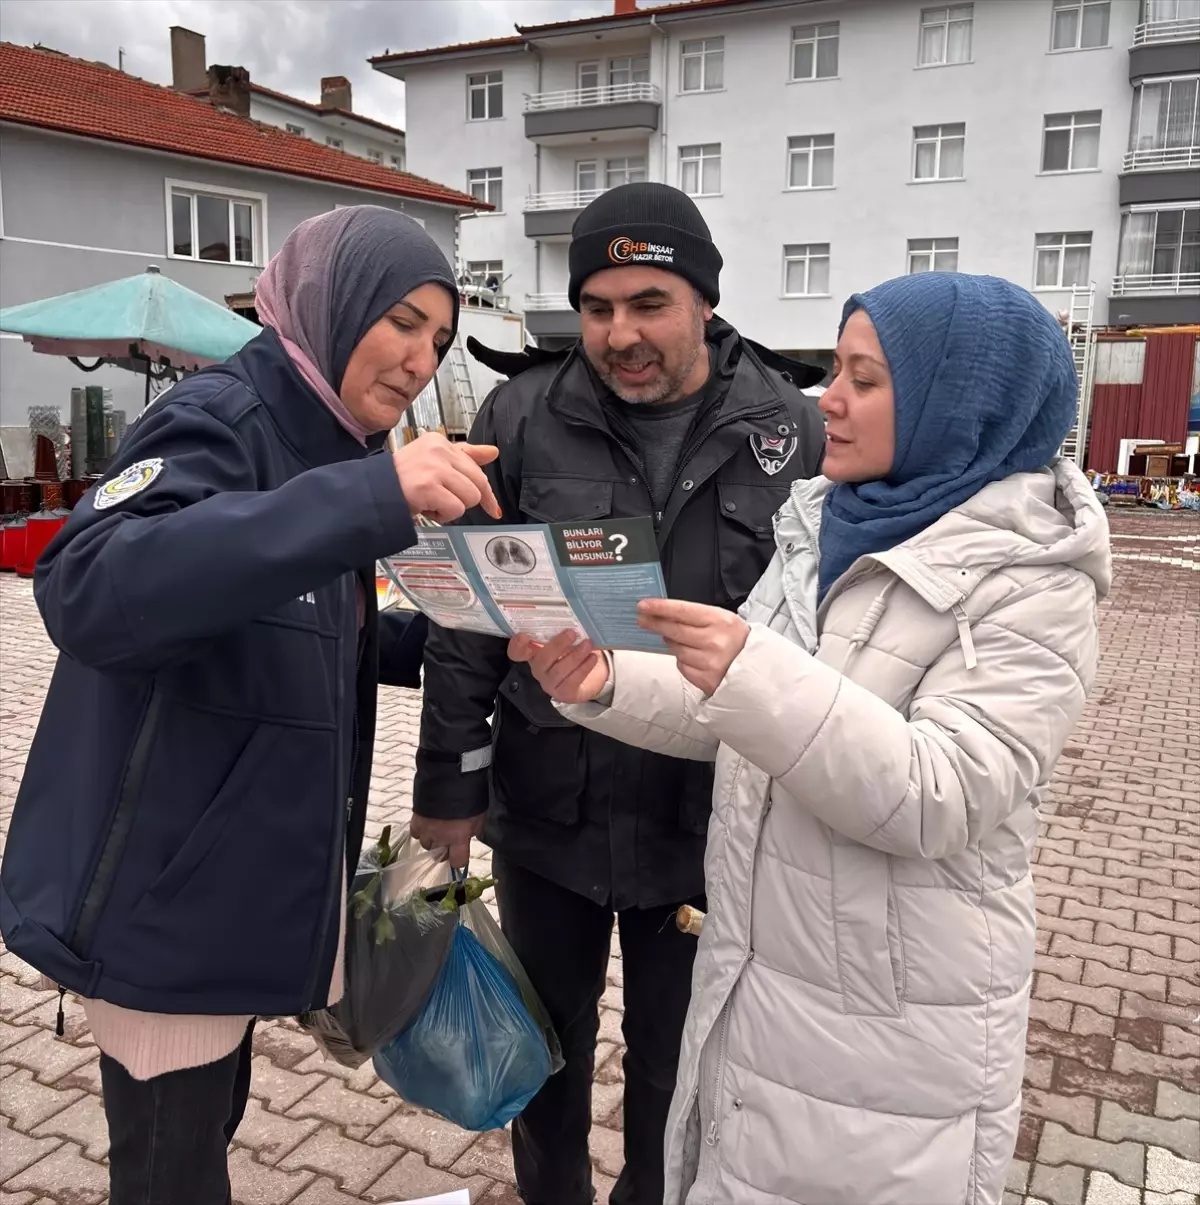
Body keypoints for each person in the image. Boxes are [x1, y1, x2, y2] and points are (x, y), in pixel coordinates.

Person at [513, 273, 1111, 1205]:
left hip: (893, 1012)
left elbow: (941, 790)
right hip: (764, 971)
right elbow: (735, 704)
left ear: (958, 405)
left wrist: (754, 669)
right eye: (835, 368)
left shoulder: (1031, 578)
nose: (827, 397)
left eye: (864, 380)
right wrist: (606, 680)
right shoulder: (822, 524)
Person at [0, 206, 501, 1205]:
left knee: (203, 1141)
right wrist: (373, 498)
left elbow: (306, 623)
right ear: (334, 300)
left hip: (227, 902)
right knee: (173, 1175)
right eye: (402, 321)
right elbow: (88, 585)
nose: (417, 358)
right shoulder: (223, 418)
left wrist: (475, 627)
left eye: (438, 340)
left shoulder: (327, 445)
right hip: (161, 903)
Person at [410, 183, 825, 1205]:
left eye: (649, 303)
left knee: (677, 1070)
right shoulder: (522, 414)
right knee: (541, 1058)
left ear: (705, 302)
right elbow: (469, 619)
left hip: (708, 822)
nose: (620, 332)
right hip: (549, 809)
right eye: (597, 307)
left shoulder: (790, 427)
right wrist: (450, 786)